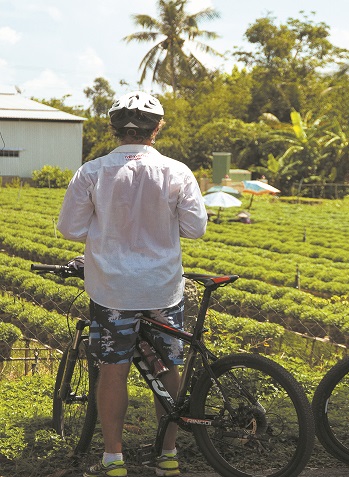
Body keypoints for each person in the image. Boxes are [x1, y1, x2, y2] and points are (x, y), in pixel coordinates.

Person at [57, 91, 207, 477]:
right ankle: (168, 456)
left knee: (113, 370)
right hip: (162, 288)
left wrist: (108, 229)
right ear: (156, 129)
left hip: (111, 291)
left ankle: (113, 460)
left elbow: (70, 229)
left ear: (113, 129)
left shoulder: (92, 171)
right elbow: (195, 228)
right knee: (167, 367)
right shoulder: (176, 171)